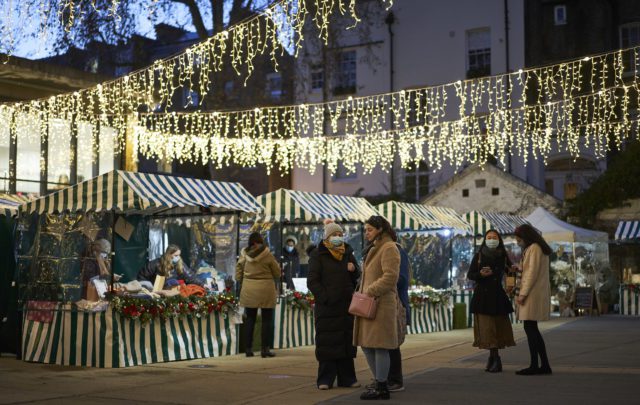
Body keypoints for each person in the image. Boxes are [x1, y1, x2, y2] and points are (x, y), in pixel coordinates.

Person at [307, 219, 361, 390]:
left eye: (340, 234)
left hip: (346, 307)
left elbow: (357, 277)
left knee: (346, 343)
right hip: (328, 307)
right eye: (334, 235)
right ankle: (325, 379)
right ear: (327, 237)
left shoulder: (347, 253)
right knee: (327, 343)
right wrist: (325, 298)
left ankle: (348, 378)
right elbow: (313, 281)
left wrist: (354, 270)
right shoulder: (318, 254)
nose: (338, 237)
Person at [354, 215, 401, 400]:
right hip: (369, 302)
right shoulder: (375, 248)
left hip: (380, 303)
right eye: (365, 230)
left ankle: (382, 386)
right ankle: (378, 381)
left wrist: (370, 291)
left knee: (380, 346)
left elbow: (390, 277)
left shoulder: (389, 248)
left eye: (369, 230)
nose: (366, 233)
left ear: (380, 229)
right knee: (367, 345)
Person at [466, 229, 516, 373]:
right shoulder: (479, 255)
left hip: (498, 296)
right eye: (489, 237)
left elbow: (510, 273)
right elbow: (470, 275)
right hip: (482, 297)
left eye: (494, 237)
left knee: (497, 329)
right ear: (485, 240)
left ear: (499, 240)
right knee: (487, 329)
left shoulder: (503, 256)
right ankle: (493, 358)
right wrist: (480, 274)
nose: (492, 239)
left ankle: (495, 359)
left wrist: (511, 285)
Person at [513, 223, 553, 375]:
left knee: (530, 329)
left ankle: (535, 365)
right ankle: (544, 365)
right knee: (532, 329)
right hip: (533, 293)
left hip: (531, 294)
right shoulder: (534, 248)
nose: (517, 241)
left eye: (518, 238)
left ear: (525, 237)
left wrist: (523, 294)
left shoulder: (534, 248)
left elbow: (531, 273)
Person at [236, 232, 281, 358]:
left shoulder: (244, 254)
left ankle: (248, 349)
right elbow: (277, 273)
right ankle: (264, 349)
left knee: (250, 319)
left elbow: (238, 270)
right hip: (266, 289)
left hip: (249, 289)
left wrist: (241, 280)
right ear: (259, 241)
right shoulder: (267, 254)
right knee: (266, 320)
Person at [137, 244, 204, 287]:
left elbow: (190, 277)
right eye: (175, 255)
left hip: (172, 292)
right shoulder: (155, 264)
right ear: (169, 254)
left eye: (179, 255)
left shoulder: (180, 264)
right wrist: (148, 287)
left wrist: (202, 284)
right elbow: (141, 277)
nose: (178, 257)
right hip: (156, 293)